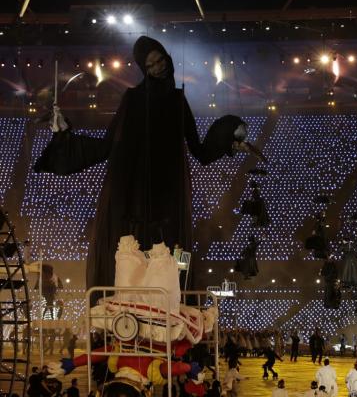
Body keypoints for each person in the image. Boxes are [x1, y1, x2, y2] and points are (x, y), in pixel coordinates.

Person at [34, 35, 250, 293]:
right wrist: (63, 133)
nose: (159, 67)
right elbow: (109, 145)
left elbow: (199, 151)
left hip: (169, 190)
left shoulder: (178, 99)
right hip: (134, 191)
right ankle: (132, 308)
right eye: (151, 64)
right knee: (133, 253)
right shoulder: (133, 98)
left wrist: (228, 137)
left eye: (160, 59)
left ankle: (176, 303)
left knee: (175, 250)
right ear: (143, 69)